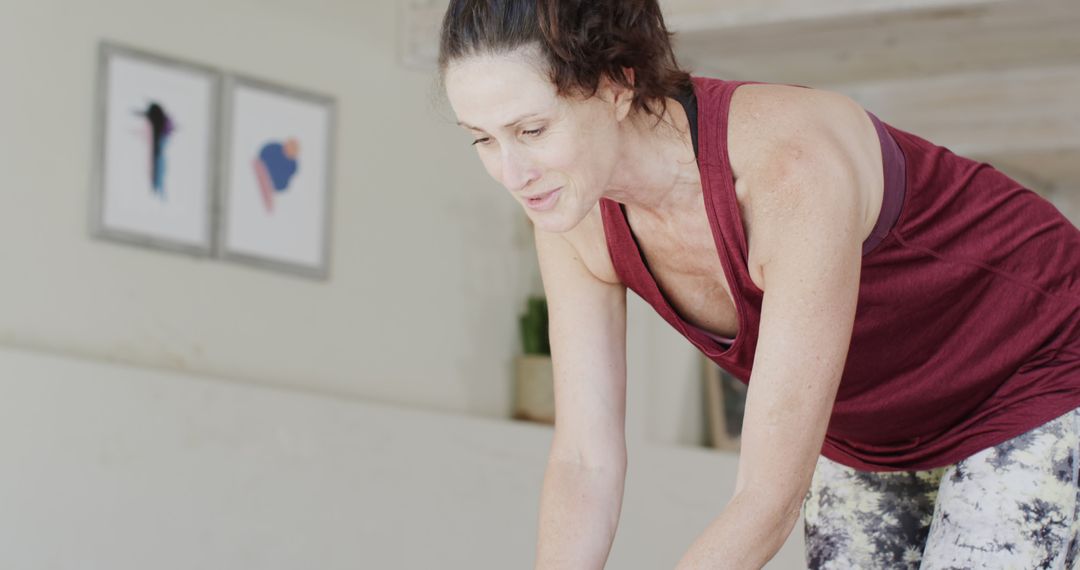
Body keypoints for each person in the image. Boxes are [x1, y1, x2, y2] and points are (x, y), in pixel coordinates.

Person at [437, 1, 1080, 568]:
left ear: (616, 86)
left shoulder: (784, 168)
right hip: (870, 436)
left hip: (1037, 370)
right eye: (482, 141)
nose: (512, 172)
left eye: (531, 130)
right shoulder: (567, 213)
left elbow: (766, 499)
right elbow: (585, 460)